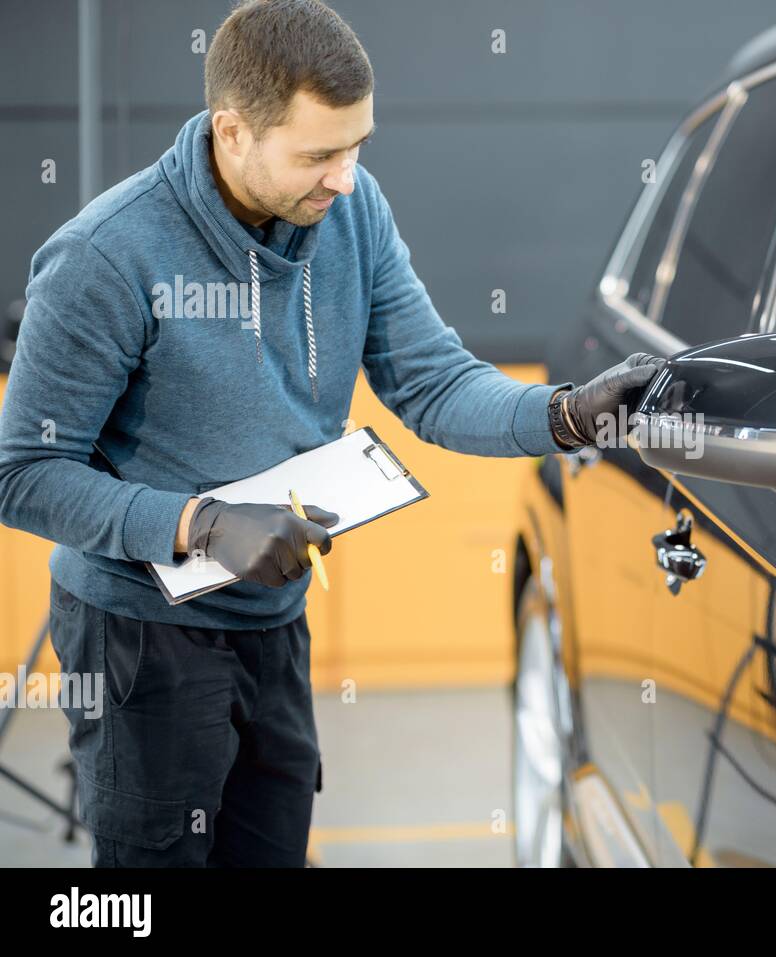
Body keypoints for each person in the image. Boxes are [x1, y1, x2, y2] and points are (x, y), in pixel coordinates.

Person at [0, 0, 663, 867]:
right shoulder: (104, 259)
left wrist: (565, 414)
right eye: (318, 154)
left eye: (358, 146)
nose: (345, 178)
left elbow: (431, 381)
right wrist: (196, 524)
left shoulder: (349, 211)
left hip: (275, 616)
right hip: (141, 641)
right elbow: (24, 473)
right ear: (233, 132)